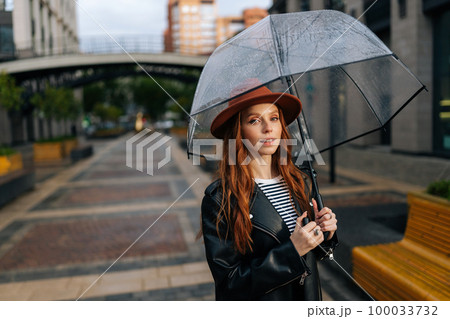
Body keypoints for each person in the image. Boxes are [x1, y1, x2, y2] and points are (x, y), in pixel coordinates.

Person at [201, 84, 338, 301]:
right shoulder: (221, 198)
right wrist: (291, 251)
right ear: (238, 131)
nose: (268, 128)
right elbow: (229, 284)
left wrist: (325, 232)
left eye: (274, 118)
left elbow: (313, 254)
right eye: (255, 120)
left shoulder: (300, 181)